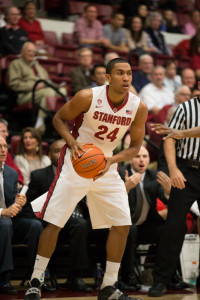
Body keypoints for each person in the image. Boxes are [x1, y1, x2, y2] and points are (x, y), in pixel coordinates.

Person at [24, 57, 148, 300]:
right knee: (55, 221)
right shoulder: (87, 97)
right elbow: (58, 119)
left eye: (129, 73)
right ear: (108, 78)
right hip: (77, 161)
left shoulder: (138, 107)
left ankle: (108, 286)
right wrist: (71, 143)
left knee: (123, 224)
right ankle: (36, 281)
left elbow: (134, 147)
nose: (126, 78)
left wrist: (111, 160)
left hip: (107, 164)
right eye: (120, 73)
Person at [148, 82, 200, 297]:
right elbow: (169, 139)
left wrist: (180, 132)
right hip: (187, 170)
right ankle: (161, 279)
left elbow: (176, 133)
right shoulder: (185, 108)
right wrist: (173, 169)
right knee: (174, 226)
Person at [119, 145, 190, 291]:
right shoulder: (121, 174)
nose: (141, 160)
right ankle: (127, 276)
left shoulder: (154, 176)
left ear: (149, 160)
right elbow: (111, 202)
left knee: (171, 229)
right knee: (130, 228)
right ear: (130, 159)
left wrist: (169, 192)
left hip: (145, 227)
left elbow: (169, 201)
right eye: (137, 156)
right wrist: (125, 188)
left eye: (145, 157)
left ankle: (169, 275)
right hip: (122, 226)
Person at [25, 139, 92, 292]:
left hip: (76, 223)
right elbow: (29, 206)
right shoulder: (39, 175)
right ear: (49, 154)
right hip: (49, 222)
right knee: (75, 224)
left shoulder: (82, 172)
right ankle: (41, 276)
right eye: (57, 150)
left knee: (83, 223)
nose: (62, 153)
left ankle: (76, 277)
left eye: (66, 150)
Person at [0, 135, 43, 295]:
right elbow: (5, 212)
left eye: (5, 146)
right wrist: (3, 212)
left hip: (10, 222)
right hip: (3, 222)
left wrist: (19, 202)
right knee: (5, 224)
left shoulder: (11, 173)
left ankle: (36, 276)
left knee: (35, 225)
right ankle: (4, 279)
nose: (3, 150)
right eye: (0, 147)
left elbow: (12, 202)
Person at [8, 42, 66, 132]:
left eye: (33, 51)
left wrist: (58, 86)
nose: (31, 53)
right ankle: (53, 122)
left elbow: (47, 81)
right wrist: (34, 86)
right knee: (50, 92)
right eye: (29, 51)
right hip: (24, 95)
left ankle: (41, 122)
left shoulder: (38, 65)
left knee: (62, 91)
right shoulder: (16, 64)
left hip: (42, 93)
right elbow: (14, 84)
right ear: (22, 52)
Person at [0, 118, 24, 186]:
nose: (7, 134)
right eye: (3, 131)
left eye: (5, 146)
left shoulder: (5, 152)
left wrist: (18, 182)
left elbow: (16, 172)